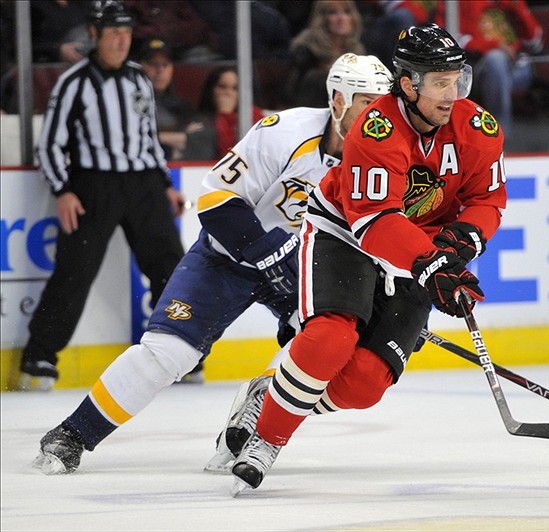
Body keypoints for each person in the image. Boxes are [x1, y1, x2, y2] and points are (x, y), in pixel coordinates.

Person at [30, 53, 393, 475]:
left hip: (305, 270)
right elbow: (216, 199)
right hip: (228, 258)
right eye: (367, 103)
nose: (378, 117)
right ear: (338, 100)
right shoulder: (285, 133)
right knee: (169, 352)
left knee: (335, 349)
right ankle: (74, 433)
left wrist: (393, 306)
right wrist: (267, 250)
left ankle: (258, 406)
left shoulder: (384, 159)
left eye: (383, 106)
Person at [229, 23, 507, 495]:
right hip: (345, 232)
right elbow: (375, 222)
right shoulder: (375, 130)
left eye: (457, 80)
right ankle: (267, 439)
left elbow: (489, 198)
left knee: (364, 383)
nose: (452, 94)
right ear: (408, 84)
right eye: (440, 83)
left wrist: (463, 240)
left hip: (419, 246)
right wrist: (432, 264)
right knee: (330, 338)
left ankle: (273, 395)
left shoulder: (477, 128)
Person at [18, 0, 186, 392]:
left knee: (171, 267)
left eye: (126, 33)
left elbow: (148, 138)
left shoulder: (139, 77)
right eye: (113, 33)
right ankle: (39, 355)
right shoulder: (74, 82)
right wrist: (63, 191)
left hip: (143, 184)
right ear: (95, 35)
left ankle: (177, 350)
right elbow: (50, 144)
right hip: (94, 186)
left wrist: (164, 183)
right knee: (75, 271)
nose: (122, 41)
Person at [455, 0, 544, 135]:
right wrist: (495, 46)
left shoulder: (513, 4)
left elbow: (535, 44)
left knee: (523, 64)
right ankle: (500, 133)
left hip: (516, 69)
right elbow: (459, 40)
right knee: (496, 59)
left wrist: (518, 8)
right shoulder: (467, 3)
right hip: (482, 69)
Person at [285, 0, 366, 107]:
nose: (341, 18)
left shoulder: (357, 50)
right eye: (333, 13)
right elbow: (293, 90)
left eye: (347, 12)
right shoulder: (305, 49)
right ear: (321, 18)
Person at [182, 66, 266, 161]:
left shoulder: (254, 116)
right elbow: (225, 159)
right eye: (222, 87)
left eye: (235, 88)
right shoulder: (201, 121)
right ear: (211, 90)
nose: (228, 93)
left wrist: (226, 115)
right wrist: (224, 115)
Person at [138, 38, 196, 160]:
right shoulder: (129, 104)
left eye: (165, 65)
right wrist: (179, 137)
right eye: (153, 64)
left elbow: (196, 138)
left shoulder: (182, 106)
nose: (160, 70)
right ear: (140, 66)